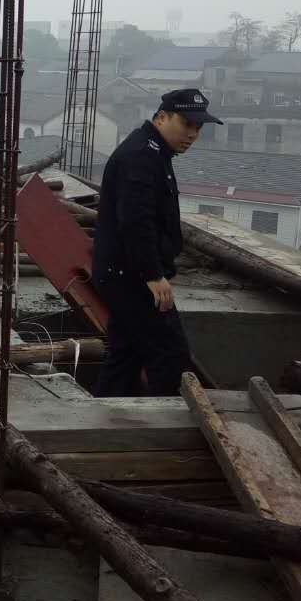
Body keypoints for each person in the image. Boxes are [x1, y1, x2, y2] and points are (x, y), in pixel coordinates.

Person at [91, 88, 222, 396]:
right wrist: (152, 274)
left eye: (198, 128)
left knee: (126, 354)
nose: (192, 134)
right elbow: (136, 222)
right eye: (186, 124)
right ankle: (173, 427)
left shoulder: (154, 152)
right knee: (169, 355)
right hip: (132, 277)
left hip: (125, 273)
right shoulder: (141, 156)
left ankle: (103, 418)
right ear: (162, 117)